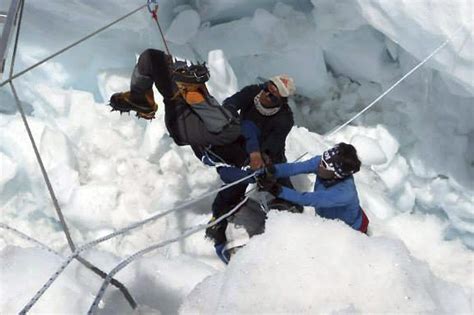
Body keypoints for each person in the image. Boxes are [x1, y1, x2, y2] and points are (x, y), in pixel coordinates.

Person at [204, 75, 303, 253]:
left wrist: (261, 159)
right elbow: (231, 104)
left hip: (270, 155)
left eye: (273, 95)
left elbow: (272, 145)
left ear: (281, 100)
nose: (266, 94)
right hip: (242, 148)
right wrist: (230, 118)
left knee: (281, 185)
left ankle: (291, 216)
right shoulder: (252, 92)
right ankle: (219, 219)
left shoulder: (284, 118)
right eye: (267, 87)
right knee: (234, 185)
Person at [109, 49, 240, 149]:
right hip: (181, 118)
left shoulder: (234, 131)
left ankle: (142, 97)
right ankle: (141, 97)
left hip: (183, 122)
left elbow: (196, 98)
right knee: (150, 59)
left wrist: (192, 84)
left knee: (151, 59)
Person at [257, 143, 370, 233]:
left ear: (336, 174)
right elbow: (294, 168)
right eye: (323, 159)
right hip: (328, 217)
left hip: (350, 229)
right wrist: (271, 170)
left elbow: (307, 199)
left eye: (324, 165)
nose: (319, 164)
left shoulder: (344, 193)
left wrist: (276, 189)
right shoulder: (322, 164)